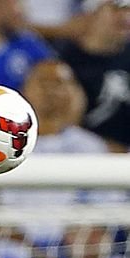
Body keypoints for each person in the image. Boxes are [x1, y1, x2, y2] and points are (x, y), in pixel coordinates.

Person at [54, 0, 130, 151]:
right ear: (91, 14)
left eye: (128, 10)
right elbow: (58, 121)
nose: (125, 17)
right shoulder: (62, 59)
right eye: (116, 10)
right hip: (81, 154)